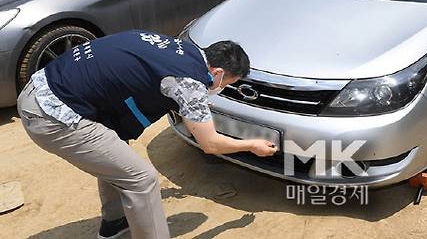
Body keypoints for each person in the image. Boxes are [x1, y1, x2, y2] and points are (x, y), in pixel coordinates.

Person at [16, 30, 277, 239]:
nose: (220, 88)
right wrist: (251, 144)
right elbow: (210, 144)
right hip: (53, 116)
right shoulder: (189, 82)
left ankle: (115, 223)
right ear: (218, 73)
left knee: (116, 155)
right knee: (142, 180)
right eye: (227, 84)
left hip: (42, 86)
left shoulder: (174, 45)